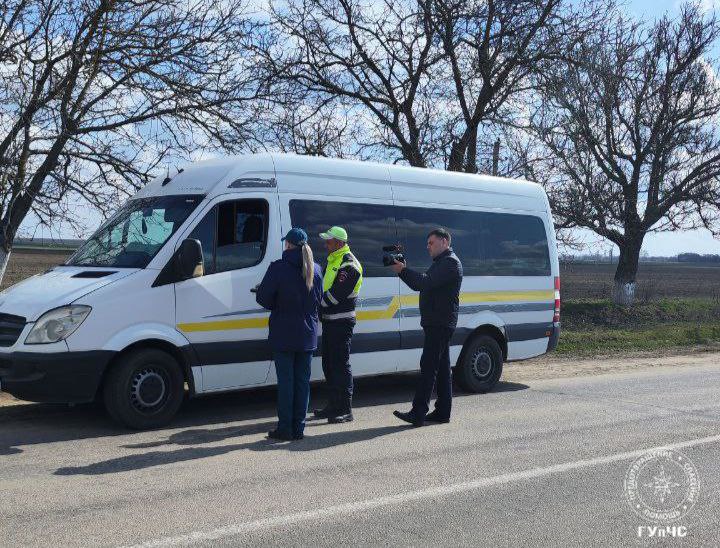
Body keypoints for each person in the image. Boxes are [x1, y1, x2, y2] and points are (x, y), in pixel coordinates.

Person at [388, 228, 463, 427]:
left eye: (431, 243)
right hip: (438, 322)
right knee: (442, 369)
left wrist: (402, 271)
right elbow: (424, 282)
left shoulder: (450, 263)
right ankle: (442, 412)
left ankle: (418, 412)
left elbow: (424, 283)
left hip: (439, 323)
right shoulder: (442, 262)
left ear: (444, 242)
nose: (427, 247)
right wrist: (404, 270)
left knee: (428, 367)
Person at [256, 227, 323, 441]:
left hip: (284, 333)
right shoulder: (317, 269)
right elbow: (318, 300)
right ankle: (299, 428)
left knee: (286, 383)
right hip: (307, 335)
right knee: (302, 383)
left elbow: (263, 298)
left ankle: (285, 428)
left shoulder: (278, 268)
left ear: (288, 245)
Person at [313, 226, 363, 424]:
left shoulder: (349, 264)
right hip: (330, 321)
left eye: (329, 240)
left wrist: (314, 304)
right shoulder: (334, 260)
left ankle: (346, 410)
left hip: (342, 322)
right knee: (329, 365)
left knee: (341, 366)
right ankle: (333, 405)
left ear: (340, 242)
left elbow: (336, 295)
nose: (326, 244)